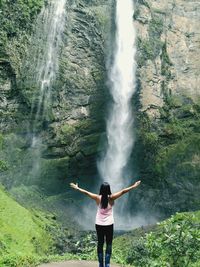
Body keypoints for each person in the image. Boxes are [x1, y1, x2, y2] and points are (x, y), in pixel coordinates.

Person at [70, 180, 141, 267]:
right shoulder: (112, 198)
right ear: (108, 189)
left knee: (100, 243)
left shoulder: (97, 198)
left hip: (99, 224)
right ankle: (107, 263)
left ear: (101, 189)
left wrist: (77, 188)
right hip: (109, 224)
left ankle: (100, 264)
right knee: (109, 243)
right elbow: (123, 191)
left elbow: (86, 193)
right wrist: (134, 186)